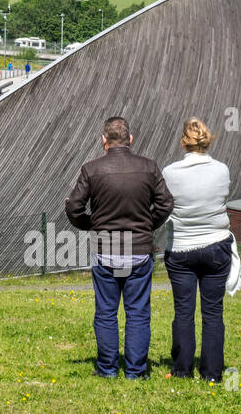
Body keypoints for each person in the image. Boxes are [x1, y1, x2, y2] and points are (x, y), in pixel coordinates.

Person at [66, 116, 174, 379]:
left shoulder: (91, 170)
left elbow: (73, 207)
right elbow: (165, 204)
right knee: (137, 312)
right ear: (130, 139)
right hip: (138, 246)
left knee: (106, 312)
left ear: (104, 141)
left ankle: (107, 369)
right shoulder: (149, 168)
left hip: (106, 248)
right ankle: (136, 370)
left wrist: (93, 224)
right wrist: (149, 225)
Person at [158, 118, 233, 382]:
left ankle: (181, 369)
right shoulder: (222, 170)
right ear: (207, 140)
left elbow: (165, 205)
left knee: (183, 311)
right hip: (216, 245)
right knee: (213, 312)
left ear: (183, 142)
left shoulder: (169, 172)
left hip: (181, 247)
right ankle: (212, 373)